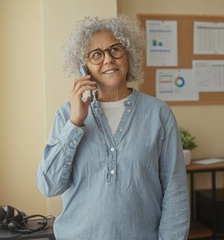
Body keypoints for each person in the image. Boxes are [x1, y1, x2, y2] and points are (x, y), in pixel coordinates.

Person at [36, 16, 190, 240]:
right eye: (96, 54)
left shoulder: (159, 114)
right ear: (83, 65)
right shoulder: (66, 115)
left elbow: (175, 193)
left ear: (129, 56)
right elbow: (48, 186)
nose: (107, 59)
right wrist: (75, 122)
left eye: (115, 49)